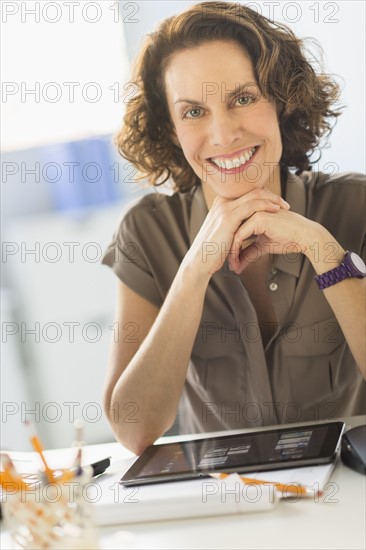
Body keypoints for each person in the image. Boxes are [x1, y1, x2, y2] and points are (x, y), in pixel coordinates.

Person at [101, 1, 366, 454]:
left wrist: (323, 250)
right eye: (193, 112)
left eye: (242, 99)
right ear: (170, 130)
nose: (223, 135)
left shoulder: (355, 205)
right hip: (224, 502)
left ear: (281, 101)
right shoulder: (146, 234)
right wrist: (192, 273)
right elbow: (134, 429)